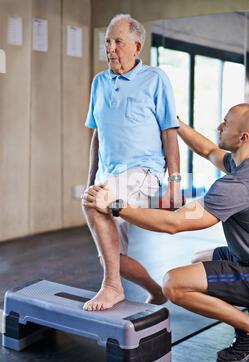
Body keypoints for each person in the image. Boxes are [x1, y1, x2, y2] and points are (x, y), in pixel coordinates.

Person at [83, 103, 249, 362]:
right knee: (198, 260)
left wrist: (117, 207)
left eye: (226, 123)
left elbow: (175, 223)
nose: (219, 126)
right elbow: (209, 150)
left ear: (243, 137)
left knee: (173, 284)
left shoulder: (238, 185)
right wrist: (175, 121)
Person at [82, 14, 182, 311]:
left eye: (118, 42)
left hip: (145, 172)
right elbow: (97, 136)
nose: (110, 48)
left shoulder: (155, 79)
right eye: (108, 42)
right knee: (112, 256)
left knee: (96, 203)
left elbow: (170, 132)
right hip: (109, 174)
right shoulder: (99, 82)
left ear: (137, 46)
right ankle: (155, 290)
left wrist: (175, 184)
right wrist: (90, 180)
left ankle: (112, 287)